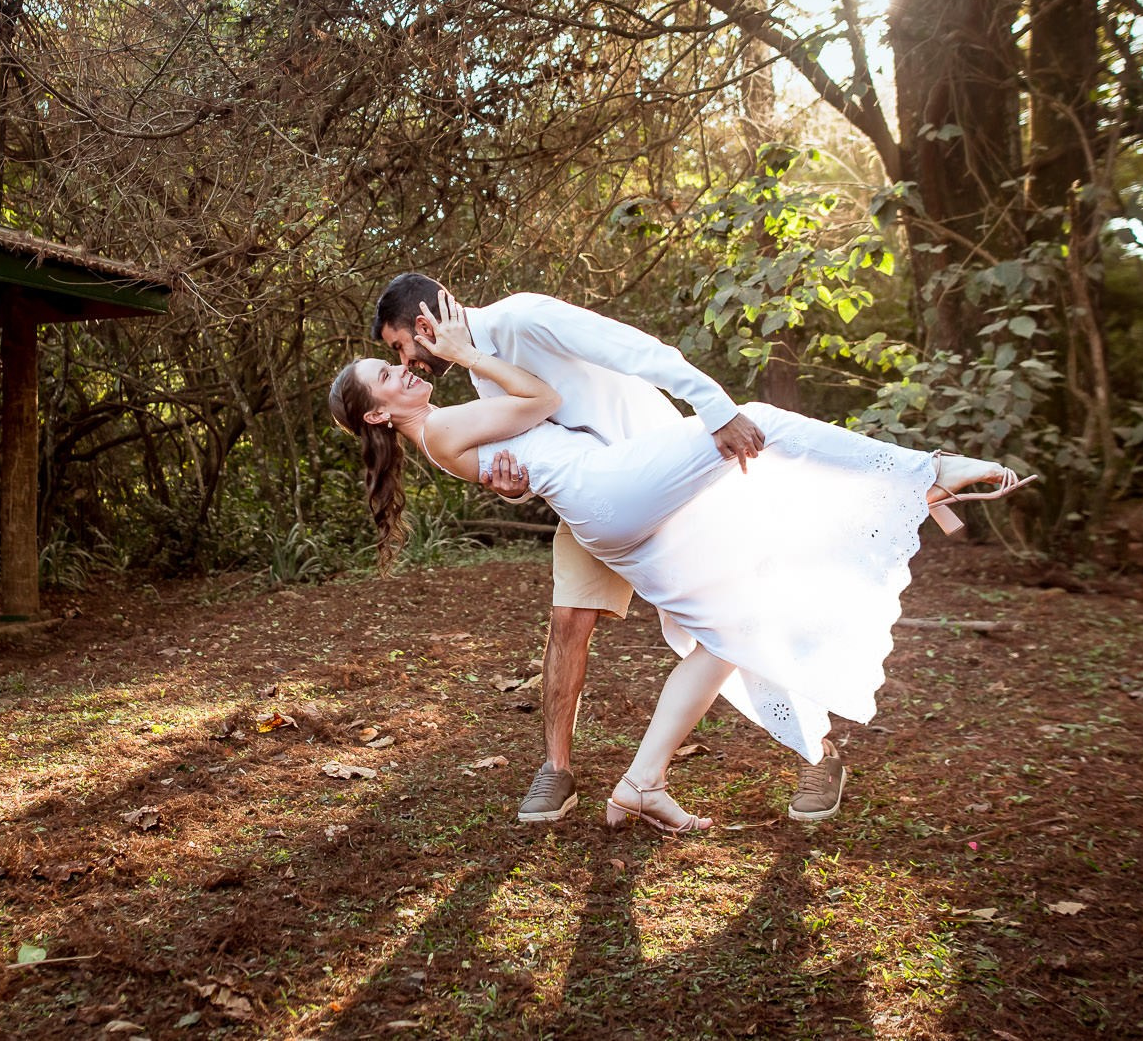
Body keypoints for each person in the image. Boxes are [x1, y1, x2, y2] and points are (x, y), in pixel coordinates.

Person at [334, 284, 1031, 831]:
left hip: (624, 493)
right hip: (611, 496)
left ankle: (645, 782)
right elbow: (540, 406)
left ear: (427, 320)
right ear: (375, 414)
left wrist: (512, 484)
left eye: (400, 349)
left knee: (734, 624)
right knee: (757, 418)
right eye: (390, 368)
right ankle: (926, 472)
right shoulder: (456, 400)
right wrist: (475, 376)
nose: (407, 364)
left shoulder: (515, 326)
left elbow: (549, 429)